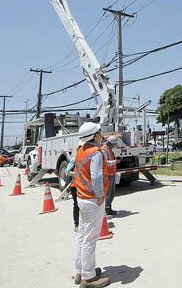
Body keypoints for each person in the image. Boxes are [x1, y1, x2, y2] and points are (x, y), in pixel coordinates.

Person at [73, 122, 111, 288]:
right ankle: (88, 278)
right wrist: (101, 195)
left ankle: (80, 271)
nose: (101, 134)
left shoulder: (80, 150)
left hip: (82, 197)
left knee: (82, 235)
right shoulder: (95, 153)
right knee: (90, 238)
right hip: (92, 199)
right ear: (94, 135)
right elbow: (96, 178)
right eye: (99, 132)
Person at [101, 136, 118, 216]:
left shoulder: (108, 149)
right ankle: (107, 208)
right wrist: (115, 162)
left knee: (111, 192)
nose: (113, 146)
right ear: (109, 143)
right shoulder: (105, 150)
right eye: (113, 145)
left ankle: (108, 207)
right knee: (108, 192)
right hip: (107, 174)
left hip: (111, 174)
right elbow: (105, 163)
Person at [65, 154, 79, 232]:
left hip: (86, 186)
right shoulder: (74, 159)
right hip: (75, 186)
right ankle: (76, 224)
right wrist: (76, 174)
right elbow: (67, 171)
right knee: (77, 205)